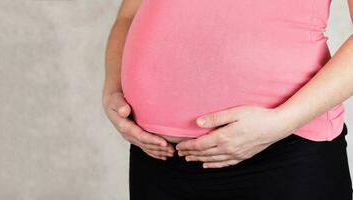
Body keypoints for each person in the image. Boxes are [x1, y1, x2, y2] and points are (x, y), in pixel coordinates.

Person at [102, 0, 353, 199]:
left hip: (284, 153)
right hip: (157, 157)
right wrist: (114, 86)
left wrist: (281, 121)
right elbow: (130, 14)